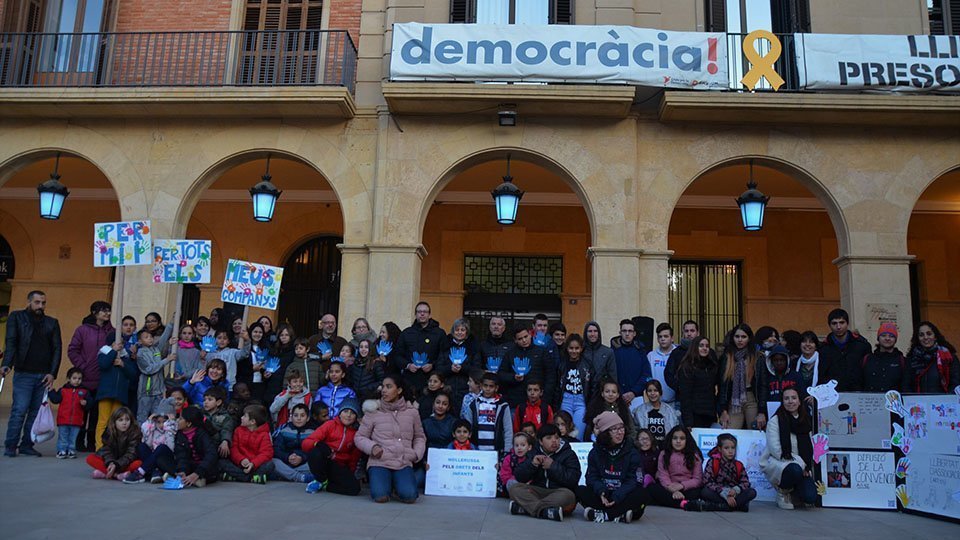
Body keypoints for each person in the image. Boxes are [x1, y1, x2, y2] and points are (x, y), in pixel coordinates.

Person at [2, 290, 62, 458]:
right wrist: (6, 363)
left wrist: (52, 373)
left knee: (36, 413)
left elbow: (57, 348)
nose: (40, 306)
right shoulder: (16, 317)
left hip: (43, 374)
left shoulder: (51, 322)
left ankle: (27, 444)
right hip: (23, 373)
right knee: (19, 410)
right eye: (37, 302)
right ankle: (10, 445)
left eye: (43, 303)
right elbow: (11, 341)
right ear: (29, 302)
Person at [354, 376, 425, 503]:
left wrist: (416, 454)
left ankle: (397, 485)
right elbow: (359, 437)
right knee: (380, 497)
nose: (384, 390)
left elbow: (419, 437)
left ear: (399, 390)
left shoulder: (412, 412)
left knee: (410, 496)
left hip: (403, 461)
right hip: (379, 461)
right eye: (383, 386)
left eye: (389, 386)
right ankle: (386, 483)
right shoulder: (373, 411)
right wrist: (373, 447)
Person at [577, 411, 648, 523]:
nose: (620, 432)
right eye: (614, 429)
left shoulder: (632, 452)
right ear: (605, 432)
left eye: (621, 428)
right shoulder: (595, 452)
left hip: (623, 494)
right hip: (604, 494)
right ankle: (620, 515)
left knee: (642, 495)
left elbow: (634, 480)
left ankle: (604, 515)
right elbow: (591, 477)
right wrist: (601, 492)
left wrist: (618, 495)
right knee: (580, 490)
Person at [66, 300, 114, 451]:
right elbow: (73, 350)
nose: (107, 313)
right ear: (94, 313)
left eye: (108, 310)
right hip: (85, 377)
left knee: (97, 413)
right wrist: (83, 366)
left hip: (103, 378)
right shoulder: (83, 330)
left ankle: (93, 442)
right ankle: (78, 441)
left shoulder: (112, 331)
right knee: (82, 411)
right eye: (103, 310)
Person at [508, 423, 582, 522]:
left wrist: (553, 466)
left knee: (569, 496)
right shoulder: (534, 452)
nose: (554, 441)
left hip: (559, 492)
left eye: (557, 437)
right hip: (538, 490)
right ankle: (545, 511)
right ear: (541, 441)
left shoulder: (568, 454)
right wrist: (532, 464)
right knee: (514, 488)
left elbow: (573, 479)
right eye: (549, 438)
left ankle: (527, 509)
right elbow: (519, 476)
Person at [761, 388, 816, 509]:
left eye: (794, 398)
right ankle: (783, 492)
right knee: (795, 470)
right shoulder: (775, 421)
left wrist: (807, 466)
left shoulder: (807, 421)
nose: (790, 401)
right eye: (786, 398)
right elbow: (776, 451)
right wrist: (802, 464)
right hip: (782, 462)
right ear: (782, 401)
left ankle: (794, 493)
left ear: (799, 401)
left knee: (811, 497)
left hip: (804, 467)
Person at [303, 397, 363, 495]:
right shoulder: (330, 424)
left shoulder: (357, 433)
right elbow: (306, 443)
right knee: (315, 452)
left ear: (356, 417)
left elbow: (354, 456)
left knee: (354, 489)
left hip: (339, 465)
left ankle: (327, 485)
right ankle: (319, 479)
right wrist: (318, 444)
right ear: (340, 413)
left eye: (352, 413)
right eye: (345, 411)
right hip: (324, 461)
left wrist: (350, 474)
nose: (348, 415)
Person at [694, 433, 756, 512]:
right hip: (719, 493)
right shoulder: (713, 462)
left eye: (733, 448)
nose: (730, 451)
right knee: (704, 492)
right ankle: (736, 506)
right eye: (726, 448)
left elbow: (745, 482)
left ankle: (721, 506)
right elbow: (707, 482)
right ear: (720, 449)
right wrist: (723, 492)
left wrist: (736, 490)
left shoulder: (738, 465)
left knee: (752, 492)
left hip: (734, 494)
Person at [94, 339, 139, 447]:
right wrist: (113, 351)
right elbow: (103, 364)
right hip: (106, 393)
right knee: (103, 421)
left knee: (117, 422)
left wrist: (123, 364)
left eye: (121, 343)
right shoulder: (104, 352)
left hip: (120, 394)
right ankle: (100, 447)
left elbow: (133, 374)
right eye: (116, 342)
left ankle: (114, 447)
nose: (119, 345)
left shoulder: (126, 356)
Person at [500, 324, 554, 408]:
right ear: (515, 340)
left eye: (526, 336)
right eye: (520, 339)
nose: (524, 340)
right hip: (516, 401)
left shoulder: (541, 352)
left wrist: (545, 397)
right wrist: (513, 377)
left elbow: (550, 375)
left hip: (538, 401)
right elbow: (501, 374)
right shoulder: (510, 354)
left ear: (530, 334)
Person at [648, 426, 703, 509]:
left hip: (687, 488)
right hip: (669, 487)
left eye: (682, 438)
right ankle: (683, 504)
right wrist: (673, 489)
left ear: (687, 440)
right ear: (670, 440)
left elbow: (697, 479)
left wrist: (682, 486)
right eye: (675, 438)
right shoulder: (664, 454)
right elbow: (663, 476)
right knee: (652, 488)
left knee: (700, 491)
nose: (678, 441)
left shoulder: (694, 455)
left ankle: (674, 502)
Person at [125, 397, 178, 484]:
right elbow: (148, 444)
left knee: (161, 447)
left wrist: (169, 426)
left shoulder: (173, 428)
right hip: (154, 458)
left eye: (164, 421)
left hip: (168, 459)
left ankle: (140, 472)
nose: (161, 425)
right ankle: (155, 471)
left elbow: (171, 447)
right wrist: (149, 424)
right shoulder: (155, 428)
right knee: (141, 446)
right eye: (158, 422)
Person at [220, 404, 275, 484]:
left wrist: (253, 463)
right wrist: (241, 459)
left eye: (245, 416)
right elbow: (234, 448)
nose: (241, 418)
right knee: (222, 462)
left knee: (270, 465)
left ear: (252, 422)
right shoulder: (238, 430)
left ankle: (238, 477)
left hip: (255, 465)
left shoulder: (264, 434)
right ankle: (252, 478)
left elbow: (266, 453)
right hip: (240, 464)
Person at [718, 324, 759, 430]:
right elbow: (723, 385)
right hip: (734, 399)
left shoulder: (757, 357)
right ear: (732, 338)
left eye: (743, 337)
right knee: (731, 432)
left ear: (749, 338)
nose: (740, 340)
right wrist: (723, 410)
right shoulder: (727, 357)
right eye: (737, 337)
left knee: (754, 433)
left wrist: (762, 411)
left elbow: (762, 384)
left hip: (751, 398)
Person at [554, 334, 595, 438]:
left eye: (577, 348)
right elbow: (557, 386)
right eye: (571, 348)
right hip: (566, 399)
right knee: (564, 432)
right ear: (567, 348)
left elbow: (592, 386)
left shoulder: (587, 365)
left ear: (581, 348)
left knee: (578, 434)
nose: (574, 351)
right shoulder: (562, 364)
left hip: (581, 401)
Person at [820, 308, 871, 392]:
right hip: (833, 394)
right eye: (834, 323)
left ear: (847, 324)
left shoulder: (862, 346)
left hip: (858, 392)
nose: (838, 327)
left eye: (841, 322)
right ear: (829, 325)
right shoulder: (823, 349)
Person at [86, 406, 142, 481]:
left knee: (138, 463)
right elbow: (106, 451)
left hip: (125, 462)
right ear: (114, 422)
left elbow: (131, 454)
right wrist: (111, 463)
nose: (124, 423)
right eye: (120, 420)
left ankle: (106, 473)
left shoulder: (134, 433)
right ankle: (116, 475)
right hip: (112, 460)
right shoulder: (109, 432)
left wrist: (117, 465)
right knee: (90, 458)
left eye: (127, 420)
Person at [676, 336, 721, 428]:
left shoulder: (712, 366)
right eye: (701, 346)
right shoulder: (687, 367)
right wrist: (688, 421)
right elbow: (685, 396)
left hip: (709, 413)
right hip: (694, 414)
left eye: (707, 346)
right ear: (694, 347)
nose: (704, 348)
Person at [755, 345, 802, 430]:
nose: (779, 363)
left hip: (793, 414)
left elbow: (801, 395)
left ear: (787, 360)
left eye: (782, 360)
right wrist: (761, 412)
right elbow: (762, 396)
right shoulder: (767, 377)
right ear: (771, 361)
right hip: (771, 416)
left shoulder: (796, 375)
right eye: (776, 360)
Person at [437, 318, 478, 415]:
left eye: (462, 330)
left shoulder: (473, 347)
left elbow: (476, 369)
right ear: (452, 331)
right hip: (448, 388)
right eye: (457, 330)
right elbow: (438, 368)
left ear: (467, 333)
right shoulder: (445, 346)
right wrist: (449, 369)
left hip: (466, 389)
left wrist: (463, 369)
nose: (459, 332)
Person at [905, 321, 960, 394]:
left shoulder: (949, 358)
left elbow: (956, 383)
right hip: (918, 403)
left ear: (935, 337)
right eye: (921, 335)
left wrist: (946, 399)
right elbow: (906, 385)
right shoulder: (911, 359)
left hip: (943, 403)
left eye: (929, 334)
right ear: (917, 338)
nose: (925, 337)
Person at [135, 326, 176, 424]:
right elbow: (149, 369)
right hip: (146, 392)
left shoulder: (156, 350)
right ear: (140, 341)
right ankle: (141, 437)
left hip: (159, 391)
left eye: (150, 336)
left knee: (158, 417)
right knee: (142, 417)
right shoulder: (140, 354)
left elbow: (164, 338)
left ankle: (155, 438)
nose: (149, 338)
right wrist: (166, 360)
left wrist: (171, 324)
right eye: (146, 337)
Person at [48, 367, 91, 458]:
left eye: (79, 379)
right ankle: (61, 450)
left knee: (73, 437)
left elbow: (90, 404)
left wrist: (86, 403)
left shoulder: (84, 391)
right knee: (63, 437)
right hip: (63, 419)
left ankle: (71, 450)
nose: (77, 381)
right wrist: (51, 391)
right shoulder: (63, 390)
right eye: (74, 378)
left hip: (77, 420)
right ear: (69, 379)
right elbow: (56, 400)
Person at [466, 373, 513, 454]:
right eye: (485, 385)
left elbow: (508, 430)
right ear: (481, 386)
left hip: (496, 451)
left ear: (496, 388)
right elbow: (467, 427)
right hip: (476, 450)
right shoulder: (474, 404)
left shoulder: (503, 405)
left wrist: (507, 451)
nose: (488, 389)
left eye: (491, 386)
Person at [271, 403, 318, 483]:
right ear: (291, 417)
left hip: (304, 464)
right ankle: (300, 477)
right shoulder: (284, 430)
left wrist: (302, 458)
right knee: (273, 461)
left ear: (307, 418)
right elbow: (276, 449)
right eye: (296, 415)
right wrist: (287, 457)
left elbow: (315, 451)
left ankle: (286, 475)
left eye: (302, 416)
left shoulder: (313, 432)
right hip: (286, 462)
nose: (299, 418)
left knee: (318, 463)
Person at [173, 406, 219, 487]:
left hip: (203, 466)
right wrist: (182, 470)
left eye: (180, 419)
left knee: (213, 469)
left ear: (189, 423)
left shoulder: (202, 434)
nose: (177, 421)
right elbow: (181, 455)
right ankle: (187, 478)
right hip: (191, 465)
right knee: (165, 458)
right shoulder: (180, 434)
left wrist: (197, 473)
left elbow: (211, 455)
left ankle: (198, 478)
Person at [582, 379, 636, 443]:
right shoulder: (594, 409)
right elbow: (590, 431)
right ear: (602, 394)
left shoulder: (623, 409)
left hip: (622, 443)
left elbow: (631, 429)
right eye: (607, 392)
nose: (610, 394)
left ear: (618, 395)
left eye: (614, 392)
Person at [631, 380, 680, 449]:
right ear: (646, 393)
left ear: (660, 392)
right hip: (646, 448)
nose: (652, 393)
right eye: (650, 391)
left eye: (655, 390)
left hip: (665, 448)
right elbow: (635, 431)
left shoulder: (670, 411)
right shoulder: (639, 411)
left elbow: (675, 431)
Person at [612, 319, 649, 408]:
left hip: (636, 398)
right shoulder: (612, 352)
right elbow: (610, 374)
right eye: (624, 331)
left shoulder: (641, 351)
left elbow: (646, 374)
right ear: (620, 332)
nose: (627, 334)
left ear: (634, 333)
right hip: (616, 397)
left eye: (630, 331)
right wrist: (620, 393)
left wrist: (633, 392)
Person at [861, 322, 908, 393]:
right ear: (878, 338)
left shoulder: (903, 361)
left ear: (895, 339)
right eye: (883, 335)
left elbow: (906, 387)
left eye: (891, 336)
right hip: (871, 402)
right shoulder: (867, 359)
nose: (887, 338)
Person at [665, 320, 700, 410]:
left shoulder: (704, 351)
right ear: (683, 333)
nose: (689, 334)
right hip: (681, 400)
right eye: (686, 331)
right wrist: (680, 387)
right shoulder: (676, 353)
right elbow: (668, 374)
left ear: (697, 333)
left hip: (701, 400)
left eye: (692, 331)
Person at [263, 324, 297, 406]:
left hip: (286, 386)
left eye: (286, 335)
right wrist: (266, 374)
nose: (284, 337)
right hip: (272, 386)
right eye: (281, 335)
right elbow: (269, 367)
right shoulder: (274, 350)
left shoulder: (294, 351)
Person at [583, 321, 618, 400]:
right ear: (585, 333)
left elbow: (612, 376)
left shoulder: (608, 352)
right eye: (590, 331)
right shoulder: (580, 351)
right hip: (583, 395)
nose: (593, 334)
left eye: (595, 331)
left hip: (601, 394)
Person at [647, 323, 678, 406]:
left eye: (666, 336)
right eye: (660, 337)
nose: (663, 339)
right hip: (656, 402)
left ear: (672, 338)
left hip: (675, 402)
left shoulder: (678, 354)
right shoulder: (651, 356)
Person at [202, 386, 236, 459]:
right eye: (204, 400)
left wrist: (225, 441)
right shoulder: (200, 414)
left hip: (216, 445)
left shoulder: (225, 417)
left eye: (210, 400)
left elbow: (226, 430)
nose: (206, 402)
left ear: (218, 402)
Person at [244, 322, 269, 401]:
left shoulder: (266, 348)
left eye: (260, 332)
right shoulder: (244, 346)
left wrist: (266, 373)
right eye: (255, 332)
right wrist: (252, 369)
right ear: (250, 333)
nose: (258, 334)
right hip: (246, 385)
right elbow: (240, 368)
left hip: (261, 385)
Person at [795, 331, 823, 395]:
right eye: (804, 341)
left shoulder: (824, 362)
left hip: (819, 399)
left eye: (811, 342)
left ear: (816, 346)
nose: (807, 344)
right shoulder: (794, 363)